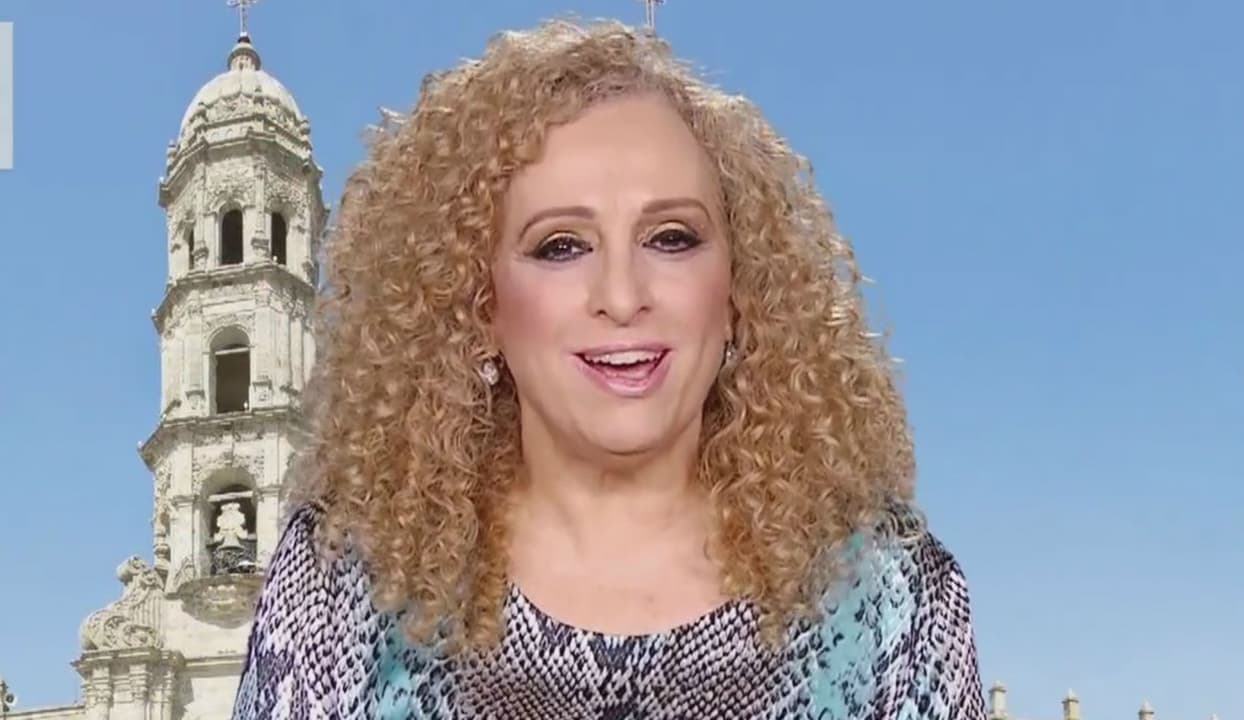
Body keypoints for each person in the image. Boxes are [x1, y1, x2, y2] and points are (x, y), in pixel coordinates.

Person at [231, 18, 986, 720]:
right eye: (561, 246)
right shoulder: (343, 584)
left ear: (738, 293)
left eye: (671, 238)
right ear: (478, 305)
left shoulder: (891, 600)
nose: (622, 297)